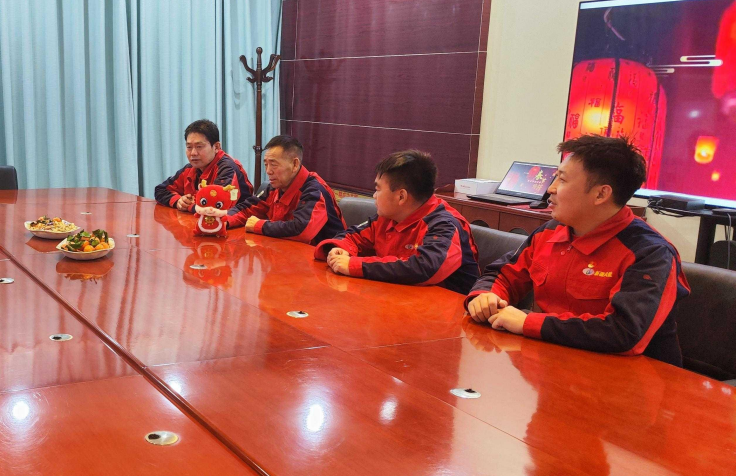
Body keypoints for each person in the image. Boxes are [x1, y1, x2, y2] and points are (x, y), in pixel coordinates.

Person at [466, 136, 689, 365]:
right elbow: (504, 274)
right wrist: (486, 297)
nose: (550, 189)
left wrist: (527, 322)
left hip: (627, 376)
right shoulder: (551, 231)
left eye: (562, 180)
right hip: (554, 363)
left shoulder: (650, 253)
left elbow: (624, 332)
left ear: (601, 194)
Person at [316, 149, 479, 293]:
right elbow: (353, 236)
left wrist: (355, 265)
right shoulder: (388, 217)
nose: (374, 195)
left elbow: (425, 268)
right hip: (398, 298)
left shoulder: (445, 225)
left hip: (446, 312)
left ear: (401, 196)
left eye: (378, 189)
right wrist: (340, 249)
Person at [225, 135, 344, 243]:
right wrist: (223, 219)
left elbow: (302, 230)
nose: (268, 171)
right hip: (288, 251)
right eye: (266, 164)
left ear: (295, 164)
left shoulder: (314, 191)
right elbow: (248, 209)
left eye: (274, 164)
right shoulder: (274, 187)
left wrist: (260, 225)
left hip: (326, 256)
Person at [154, 119, 253, 211]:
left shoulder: (228, 168)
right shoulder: (190, 168)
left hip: (234, 222)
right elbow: (160, 190)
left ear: (216, 147)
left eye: (199, 146)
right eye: (189, 147)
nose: (193, 153)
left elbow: (216, 206)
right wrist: (178, 201)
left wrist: (188, 205)